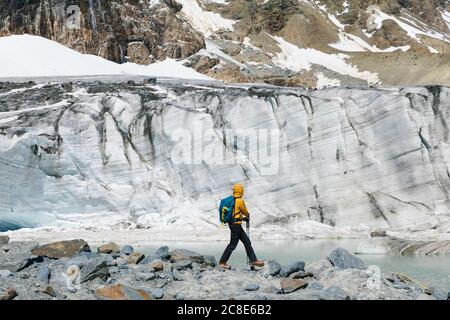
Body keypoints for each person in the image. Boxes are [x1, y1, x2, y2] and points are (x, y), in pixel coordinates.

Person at [219, 183, 265, 269]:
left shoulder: (232, 200)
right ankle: (222, 262)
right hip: (236, 227)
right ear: (241, 191)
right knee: (232, 244)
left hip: (235, 225)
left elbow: (236, 215)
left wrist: (242, 218)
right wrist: (247, 215)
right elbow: (245, 212)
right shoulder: (239, 201)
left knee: (247, 241)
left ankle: (253, 260)